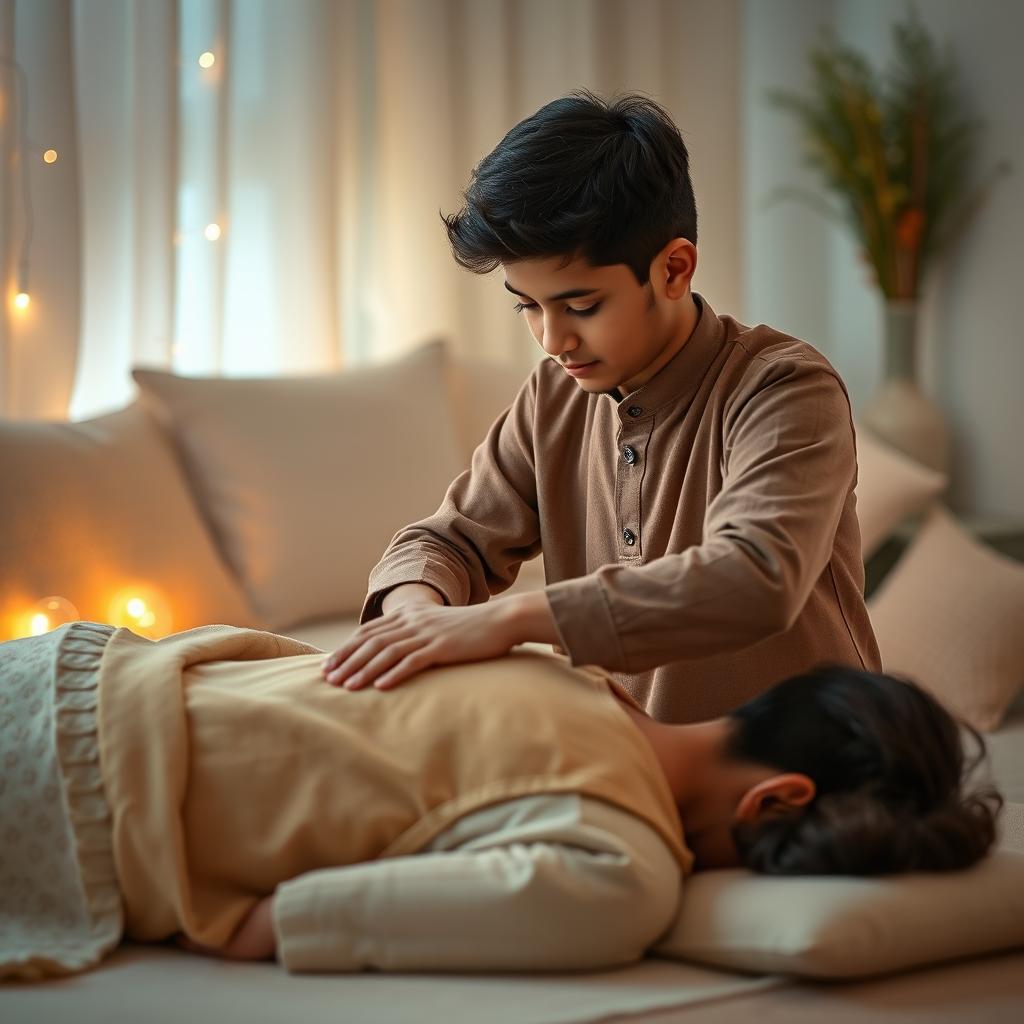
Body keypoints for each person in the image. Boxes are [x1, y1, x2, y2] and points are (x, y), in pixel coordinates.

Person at [0, 621, 1000, 979]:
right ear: (777, 799)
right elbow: (270, 927)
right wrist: (265, 924)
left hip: (80, 671)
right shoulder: (623, 866)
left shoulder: (560, 667)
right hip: (74, 789)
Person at [319, 90, 881, 723]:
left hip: (813, 780)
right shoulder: (554, 396)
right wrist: (417, 617)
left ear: (674, 268)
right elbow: (450, 542)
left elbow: (754, 579)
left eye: (580, 307)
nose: (553, 341)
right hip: (633, 773)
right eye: (526, 305)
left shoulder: (784, 388)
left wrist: (506, 620)